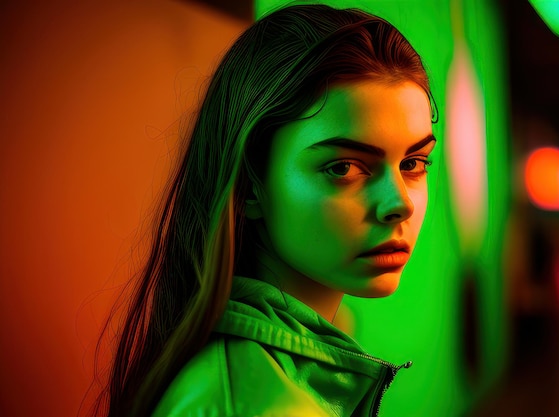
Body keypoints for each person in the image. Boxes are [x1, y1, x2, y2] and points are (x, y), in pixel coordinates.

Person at [97, 3, 438, 416]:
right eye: (344, 167)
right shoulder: (249, 404)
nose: (399, 204)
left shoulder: (291, 369)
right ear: (251, 185)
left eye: (412, 164)